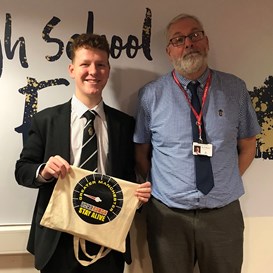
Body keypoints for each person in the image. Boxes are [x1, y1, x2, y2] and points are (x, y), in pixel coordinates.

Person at [134, 13, 260, 273]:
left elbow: (248, 144)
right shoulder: (151, 95)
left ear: (207, 41)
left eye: (195, 35)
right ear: (169, 51)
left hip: (223, 215)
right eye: (178, 39)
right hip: (168, 214)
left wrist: (227, 180)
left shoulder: (235, 89)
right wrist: (166, 185)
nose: (188, 43)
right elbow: (141, 151)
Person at [15, 33, 151, 273]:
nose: (93, 71)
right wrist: (44, 171)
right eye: (85, 64)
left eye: (100, 65)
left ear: (108, 70)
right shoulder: (45, 120)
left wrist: (137, 198)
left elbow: (128, 177)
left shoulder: (124, 124)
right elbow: (22, 170)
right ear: (71, 69)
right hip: (58, 239)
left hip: (107, 238)